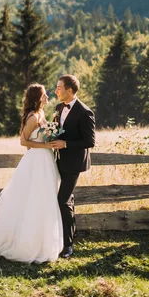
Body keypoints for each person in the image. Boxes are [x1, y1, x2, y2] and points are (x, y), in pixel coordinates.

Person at [0, 84, 64, 263]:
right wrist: (45, 145)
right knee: (32, 196)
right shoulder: (33, 117)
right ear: (37, 98)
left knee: (45, 197)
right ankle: (25, 243)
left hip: (45, 160)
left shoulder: (41, 114)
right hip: (36, 160)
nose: (47, 97)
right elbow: (23, 141)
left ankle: (42, 240)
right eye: (44, 95)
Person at [50, 74, 96, 258]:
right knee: (67, 200)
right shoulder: (58, 108)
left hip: (73, 163)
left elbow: (89, 141)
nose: (56, 91)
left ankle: (68, 245)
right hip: (57, 161)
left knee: (62, 200)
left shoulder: (85, 112)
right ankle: (63, 236)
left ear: (69, 90)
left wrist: (66, 144)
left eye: (59, 88)